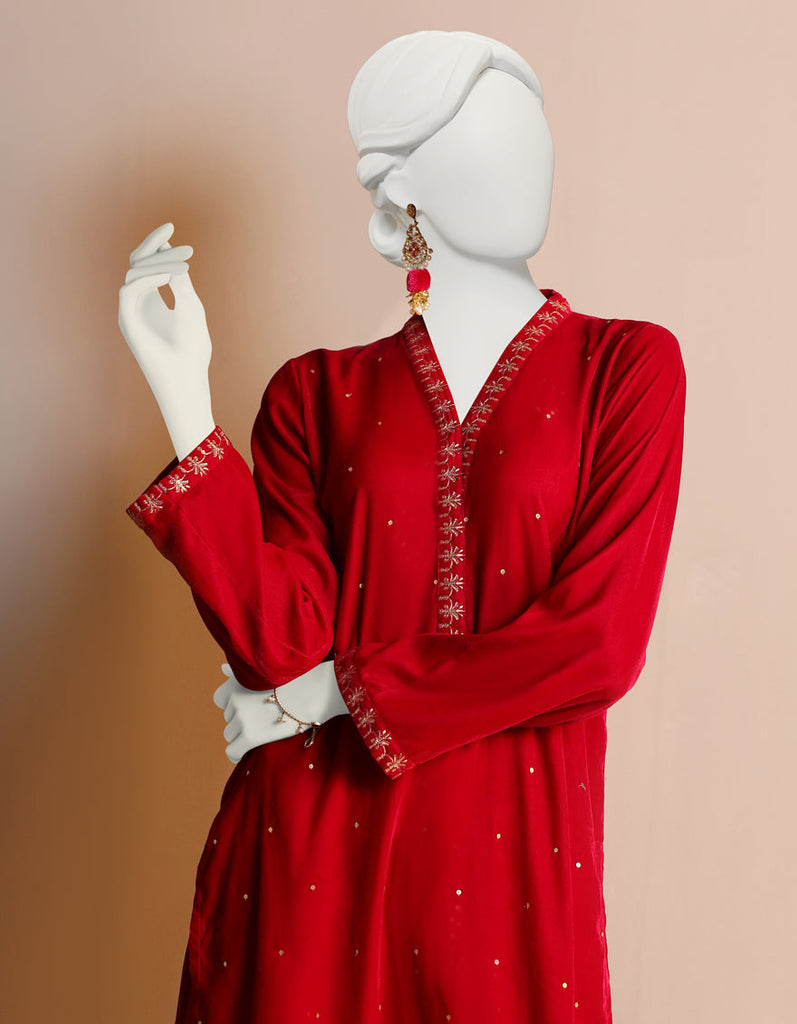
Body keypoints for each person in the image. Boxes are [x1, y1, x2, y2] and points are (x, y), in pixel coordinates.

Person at [119, 29, 685, 1024]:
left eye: (533, 135)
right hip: (315, 859)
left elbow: (596, 641)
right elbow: (278, 643)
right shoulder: (315, 394)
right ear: (400, 186)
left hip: (516, 877)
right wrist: (183, 400)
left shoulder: (624, 370)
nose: (529, 162)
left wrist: (329, 695)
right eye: (490, 138)